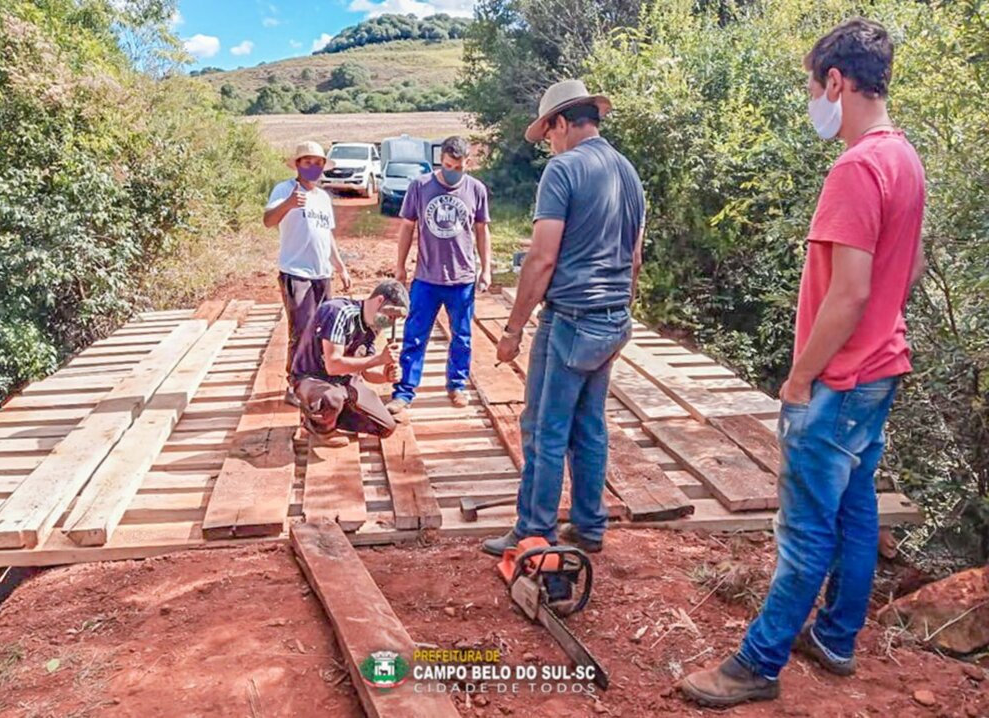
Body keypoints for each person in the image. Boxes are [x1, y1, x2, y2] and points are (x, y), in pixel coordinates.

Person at [680, 18, 926, 708]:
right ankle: (836, 639)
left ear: (836, 83)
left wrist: (798, 378)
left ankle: (757, 663)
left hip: (839, 379)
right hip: (880, 368)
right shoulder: (904, 157)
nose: (811, 100)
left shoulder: (855, 168)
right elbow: (908, 267)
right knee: (854, 511)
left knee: (805, 528)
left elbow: (847, 293)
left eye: (812, 87)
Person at [482, 80, 645, 557]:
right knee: (589, 425)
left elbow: (541, 259)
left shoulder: (564, 169)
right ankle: (590, 526)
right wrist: (619, 310)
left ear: (560, 122)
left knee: (544, 429)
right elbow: (634, 258)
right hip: (613, 318)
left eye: (548, 132)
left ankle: (534, 530)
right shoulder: (627, 172)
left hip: (572, 318)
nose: (548, 143)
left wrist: (512, 329)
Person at [385, 135, 492, 414]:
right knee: (415, 335)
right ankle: (404, 392)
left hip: (463, 278)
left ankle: (457, 385)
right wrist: (400, 265)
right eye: (447, 165)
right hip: (426, 278)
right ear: (440, 160)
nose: (452, 171)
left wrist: (486, 269)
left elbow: (482, 231)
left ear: (467, 163)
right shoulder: (420, 187)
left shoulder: (476, 189)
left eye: (458, 167)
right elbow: (407, 227)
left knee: (463, 336)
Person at [264, 140, 352, 406]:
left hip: (321, 274)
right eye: (307, 162)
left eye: (318, 163)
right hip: (296, 271)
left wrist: (341, 266)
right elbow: (268, 221)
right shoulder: (285, 189)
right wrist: (289, 203)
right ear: (298, 165)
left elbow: (327, 236)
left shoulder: (323, 198)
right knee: (301, 329)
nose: (313, 167)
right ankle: (294, 383)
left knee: (324, 329)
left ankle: (317, 377)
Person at [294, 281, 409, 448]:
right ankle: (319, 426)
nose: (390, 323)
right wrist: (379, 359)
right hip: (312, 377)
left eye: (395, 320)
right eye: (390, 316)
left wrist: (386, 376)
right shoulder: (337, 311)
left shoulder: (371, 327)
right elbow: (333, 365)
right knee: (330, 398)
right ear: (379, 300)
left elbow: (367, 372)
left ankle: (328, 413)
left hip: (343, 381)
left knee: (386, 427)